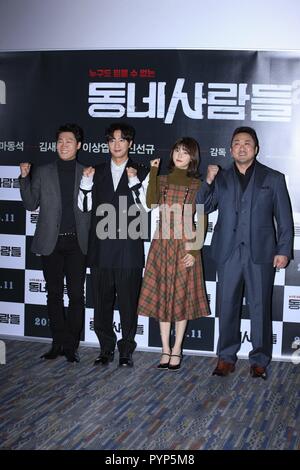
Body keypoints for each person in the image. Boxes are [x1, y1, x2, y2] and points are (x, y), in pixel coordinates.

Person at [196, 126, 294, 379]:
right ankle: (226, 358)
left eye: (247, 143)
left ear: (256, 148)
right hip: (228, 253)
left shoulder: (273, 178)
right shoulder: (220, 178)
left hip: (260, 253)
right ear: (231, 149)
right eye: (237, 143)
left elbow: (284, 219)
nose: (242, 147)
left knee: (260, 307)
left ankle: (259, 359)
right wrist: (207, 181)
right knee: (227, 306)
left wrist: (283, 249)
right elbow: (203, 207)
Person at [130, 137, 210, 371]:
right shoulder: (162, 178)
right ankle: (165, 348)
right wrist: (153, 171)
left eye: (185, 152)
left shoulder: (198, 184)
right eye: (176, 150)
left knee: (181, 300)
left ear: (193, 157)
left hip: (186, 243)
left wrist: (195, 250)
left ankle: (177, 350)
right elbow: (151, 201)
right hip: (162, 242)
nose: (179, 155)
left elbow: (202, 217)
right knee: (163, 298)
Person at [78, 122, 148, 368]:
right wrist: (85, 185)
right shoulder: (94, 171)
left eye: (121, 140)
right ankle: (105, 349)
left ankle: (126, 350)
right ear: (107, 143)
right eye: (112, 140)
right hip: (101, 249)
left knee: (129, 304)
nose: (116, 145)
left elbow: (145, 208)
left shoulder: (143, 170)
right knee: (101, 303)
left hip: (129, 248)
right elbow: (85, 208)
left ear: (130, 143)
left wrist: (134, 181)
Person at [19, 123, 91, 363]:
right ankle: (57, 342)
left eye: (69, 141)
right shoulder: (43, 171)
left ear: (78, 145)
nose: (64, 145)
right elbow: (30, 204)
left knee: (77, 297)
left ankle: (71, 345)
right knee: (54, 295)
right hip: (51, 243)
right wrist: (24, 178)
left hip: (77, 244)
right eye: (60, 141)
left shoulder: (87, 173)